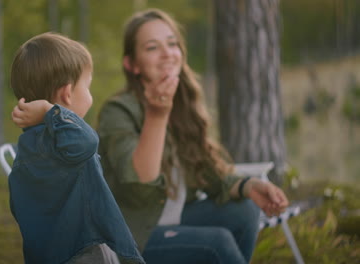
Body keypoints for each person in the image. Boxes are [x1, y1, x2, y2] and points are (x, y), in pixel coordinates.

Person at [95, 8, 289, 264]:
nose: (167, 53)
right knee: (216, 243)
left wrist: (249, 185)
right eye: (152, 47)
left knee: (244, 211)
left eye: (172, 44)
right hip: (130, 237)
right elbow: (140, 184)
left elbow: (206, 169)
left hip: (171, 219)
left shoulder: (183, 104)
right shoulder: (117, 112)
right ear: (132, 65)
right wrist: (157, 115)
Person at [8, 32, 144, 264]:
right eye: (87, 87)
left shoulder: (30, 144)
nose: (90, 96)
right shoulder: (68, 144)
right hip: (84, 250)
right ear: (67, 93)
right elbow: (88, 142)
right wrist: (52, 112)